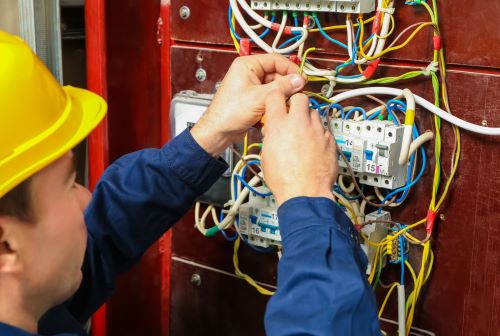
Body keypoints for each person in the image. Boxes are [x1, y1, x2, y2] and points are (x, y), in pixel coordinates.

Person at [0, 30, 379, 336]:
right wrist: (308, 196)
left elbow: (98, 236)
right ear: (5, 245)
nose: (85, 201)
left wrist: (210, 133)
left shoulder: (31, 296)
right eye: (69, 185)